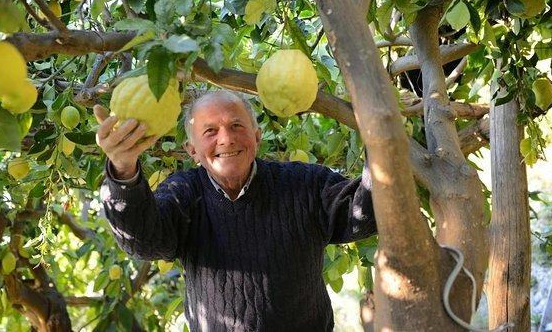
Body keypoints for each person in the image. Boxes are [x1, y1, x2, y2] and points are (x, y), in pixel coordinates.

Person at [95, 90, 376, 332]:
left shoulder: (305, 185)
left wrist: (380, 142)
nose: (226, 139)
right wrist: (123, 169)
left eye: (236, 126)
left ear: (257, 136)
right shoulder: (184, 194)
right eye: (210, 131)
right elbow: (143, 240)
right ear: (192, 150)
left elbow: (364, 214)